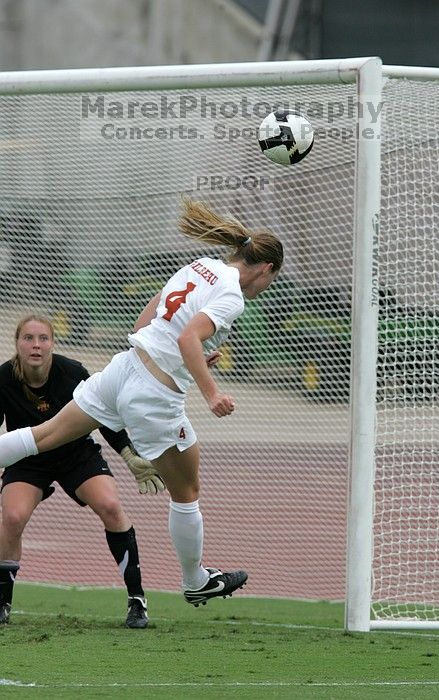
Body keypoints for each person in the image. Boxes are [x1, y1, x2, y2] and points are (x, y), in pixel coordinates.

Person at [0, 198, 284, 608]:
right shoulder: (233, 295)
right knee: (186, 490)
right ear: (265, 269)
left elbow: (151, 320)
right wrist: (212, 392)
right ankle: (195, 580)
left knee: (43, 436)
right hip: (153, 395)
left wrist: (185, 361)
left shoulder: (200, 266)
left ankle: (196, 578)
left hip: (123, 367)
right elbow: (187, 337)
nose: (264, 288)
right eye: (269, 281)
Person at [0, 315, 165, 627]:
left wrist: (129, 455)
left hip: (76, 453)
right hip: (28, 458)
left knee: (111, 506)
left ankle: (137, 600)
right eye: (28, 338)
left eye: (43, 338)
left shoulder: (72, 372)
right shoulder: (3, 377)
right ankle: (2, 602)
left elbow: (104, 415)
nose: (36, 345)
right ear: (17, 343)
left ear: (52, 343)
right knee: (12, 516)